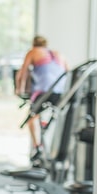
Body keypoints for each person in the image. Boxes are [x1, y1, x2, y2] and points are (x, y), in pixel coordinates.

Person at [15, 35, 67, 164]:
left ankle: (37, 146)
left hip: (44, 92)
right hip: (60, 92)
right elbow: (68, 72)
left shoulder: (33, 52)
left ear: (34, 44)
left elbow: (23, 72)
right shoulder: (58, 54)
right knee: (51, 116)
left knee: (31, 117)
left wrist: (19, 90)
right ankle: (48, 145)